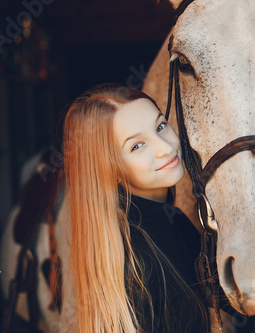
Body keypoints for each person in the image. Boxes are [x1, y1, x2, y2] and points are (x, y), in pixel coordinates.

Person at [62, 85, 207, 332]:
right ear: (110, 169)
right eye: (137, 146)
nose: (166, 148)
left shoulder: (173, 220)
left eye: (161, 126)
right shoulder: (135, 259)